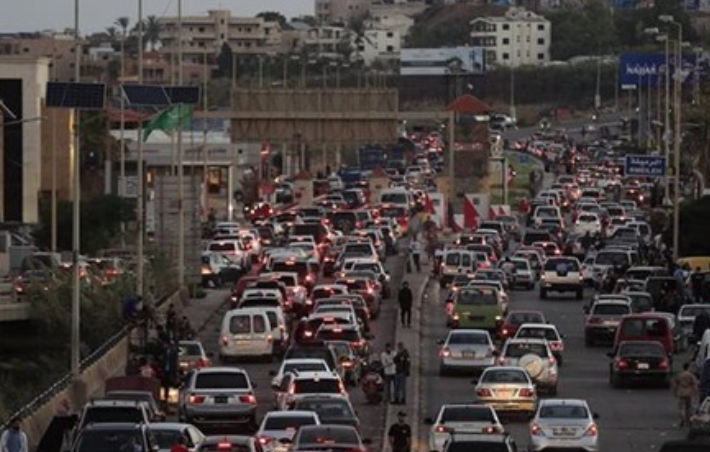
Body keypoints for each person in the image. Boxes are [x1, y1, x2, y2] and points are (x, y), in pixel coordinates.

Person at [674, 363, 700, 427]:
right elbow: (695, 383)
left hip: (681, 392)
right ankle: (688, 420)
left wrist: (675, 392)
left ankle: (682, 420)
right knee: (688, 407)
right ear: (688, 367)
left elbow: (676, 383)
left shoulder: (680, 374)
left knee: (681, 407)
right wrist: (696, 392)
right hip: (689, 392)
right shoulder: (691, 375)